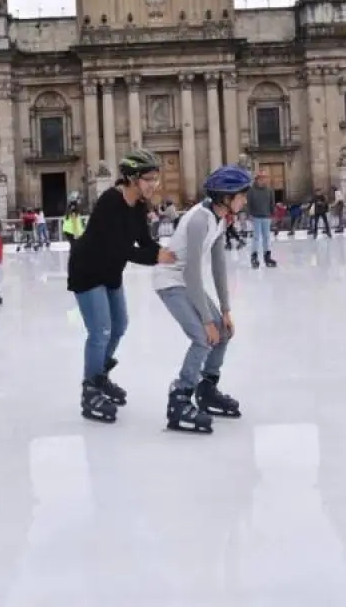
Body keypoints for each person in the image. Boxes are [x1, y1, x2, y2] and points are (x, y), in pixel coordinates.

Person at [67, 149, 175, 423]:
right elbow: (121, 248)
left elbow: (144, 241)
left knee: (120, 325)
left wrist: (166, 252)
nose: (153, 184)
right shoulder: (110, 201)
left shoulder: (139, 206)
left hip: (111, 271)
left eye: (155, 179)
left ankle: (99, 374)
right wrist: (154, 257)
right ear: (131, 179)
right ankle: (90, 389)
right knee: (100, 330)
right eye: (148, 179)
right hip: (88, 271)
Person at [154, 165, 251, 434]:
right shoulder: (199, 220)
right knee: (203, 337)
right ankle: (180, 398)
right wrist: (207, 320)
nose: (245, 200)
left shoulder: (220, 219)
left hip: (186, 281)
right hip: (171, 281)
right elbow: (191, 271)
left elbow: (218, 266)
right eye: (241, 195)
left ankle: (207, 387)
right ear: (225, 197)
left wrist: (226, 310)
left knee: (222, 331)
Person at [246, 170, 276, 268]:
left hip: (266, 217)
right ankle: (254, 257)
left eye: (265, 178)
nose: (263, 180)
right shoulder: (251, 190)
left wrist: (272, 214)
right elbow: (248, 203)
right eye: (261, 178)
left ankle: (267, 256)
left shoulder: (269, 190)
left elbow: (272, 203)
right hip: (256, 217)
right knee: (256, 237)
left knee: (267, 237)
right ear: (257, 179)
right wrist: (249, 214)